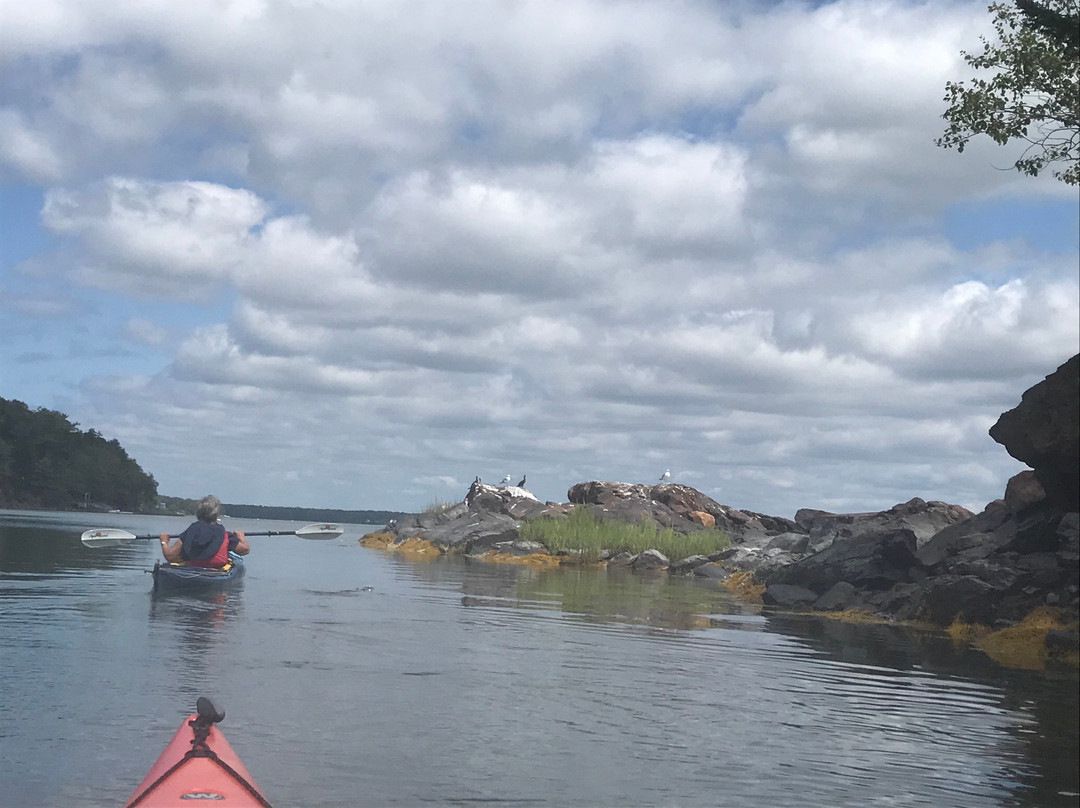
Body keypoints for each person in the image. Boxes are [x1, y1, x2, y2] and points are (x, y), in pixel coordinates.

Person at [160, 495, 250, 567]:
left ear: (198, 513)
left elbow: (170, 556)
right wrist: (241, 537)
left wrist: (164, 542)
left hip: (192, 569)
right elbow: (245, 550)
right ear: (216, 514)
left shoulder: (192, 530)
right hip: (216, 572)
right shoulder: (225, 535)